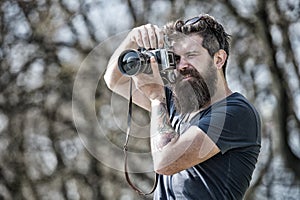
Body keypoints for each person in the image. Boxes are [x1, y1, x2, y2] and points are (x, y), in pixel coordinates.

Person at [104, 13, 261, 200]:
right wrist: (132, 39)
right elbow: (113, 80)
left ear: (219, 59)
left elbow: (166, 162)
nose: (182, 66)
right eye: (176, 58)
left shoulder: (235, 112)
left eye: (191, 55)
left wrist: (155, 96)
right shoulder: (177, 102)